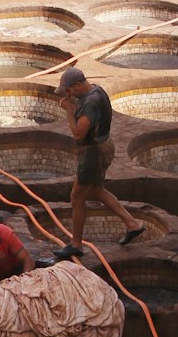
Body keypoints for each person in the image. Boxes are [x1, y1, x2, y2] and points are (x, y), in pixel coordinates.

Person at [54, 67, 144, 260]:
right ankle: (133, 224)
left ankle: (76, 244)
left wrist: (69, 110)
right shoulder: (96, 90)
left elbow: (78, 134)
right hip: (102, 145)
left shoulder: (90, 103)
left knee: (77, 197)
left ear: (77, 85)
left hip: (93, 152)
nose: (67, 95)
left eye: (69, 90)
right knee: (96, 191)